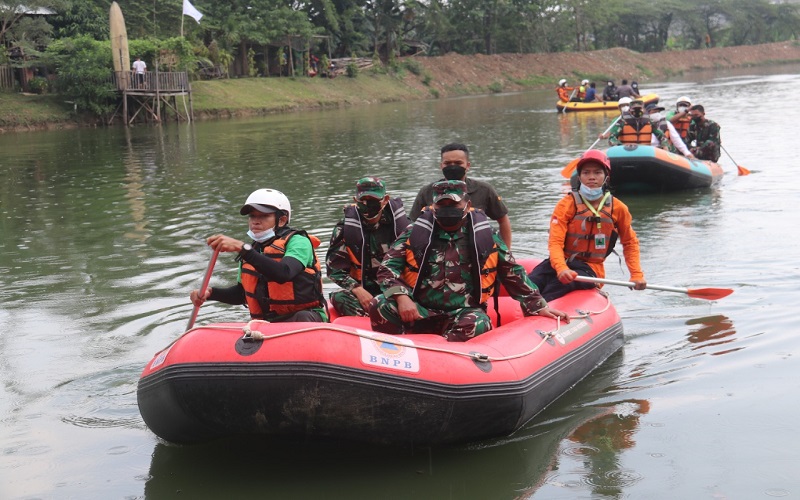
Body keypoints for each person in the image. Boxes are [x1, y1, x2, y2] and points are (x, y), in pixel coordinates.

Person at [369, 180, 569, 341]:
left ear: (467, 205)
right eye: (441, 204)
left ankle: (448, 362)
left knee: (478, 324)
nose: (447, 209)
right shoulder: (415, 233)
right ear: (432, 206)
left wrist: (539, 305)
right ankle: (396, 356)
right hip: (420, 310)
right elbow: (387, 269)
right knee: (380, 304)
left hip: (463, 312)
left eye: (453, 204)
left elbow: (512, 272)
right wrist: (402, 297)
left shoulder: (485, 236)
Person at [189, 189, 327, 323]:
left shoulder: (299, 241)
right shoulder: (253, 250)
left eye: (263, 216)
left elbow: (284, 273)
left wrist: (242, 248)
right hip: (266, 324)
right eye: (252, 216)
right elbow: (242, 294)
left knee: (302, 317)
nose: (255, 221)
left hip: (304, 317)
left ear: (282, 220)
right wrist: (211, 293)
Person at [528, 150, 646, 301]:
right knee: (528, 286)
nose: (591, 177)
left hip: (590, 269)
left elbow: (630, 242)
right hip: (562, 261)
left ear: (606, 177)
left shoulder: (618, 208)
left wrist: (636, 274)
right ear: (580, 176)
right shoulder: (566, 205)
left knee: (553, 290)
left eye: (597, 172)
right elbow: (555, 242)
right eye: (586, 173)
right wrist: (561, 267)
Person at [326, 177, 411, 317]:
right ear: (355, 200)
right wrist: (357, 289)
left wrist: (399, 294)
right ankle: (368, 324)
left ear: (385, 199)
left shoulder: (403, 226)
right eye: (363, 201)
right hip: (365, 292)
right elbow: (335, 270)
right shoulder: (344, 230)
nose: (367, 205)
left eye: (373, 200)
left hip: (399, 290)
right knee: (339, 297)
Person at [410, 143, 513, 249]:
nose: (453, 167)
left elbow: (503, 220)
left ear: (467, 165)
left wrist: (507, 251)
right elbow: (413, 225)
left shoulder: (484, 190)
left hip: (475, 252)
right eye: (448, 163)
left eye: (458, 163)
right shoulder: (427, 191)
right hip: (436, 252)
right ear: (441, 166)